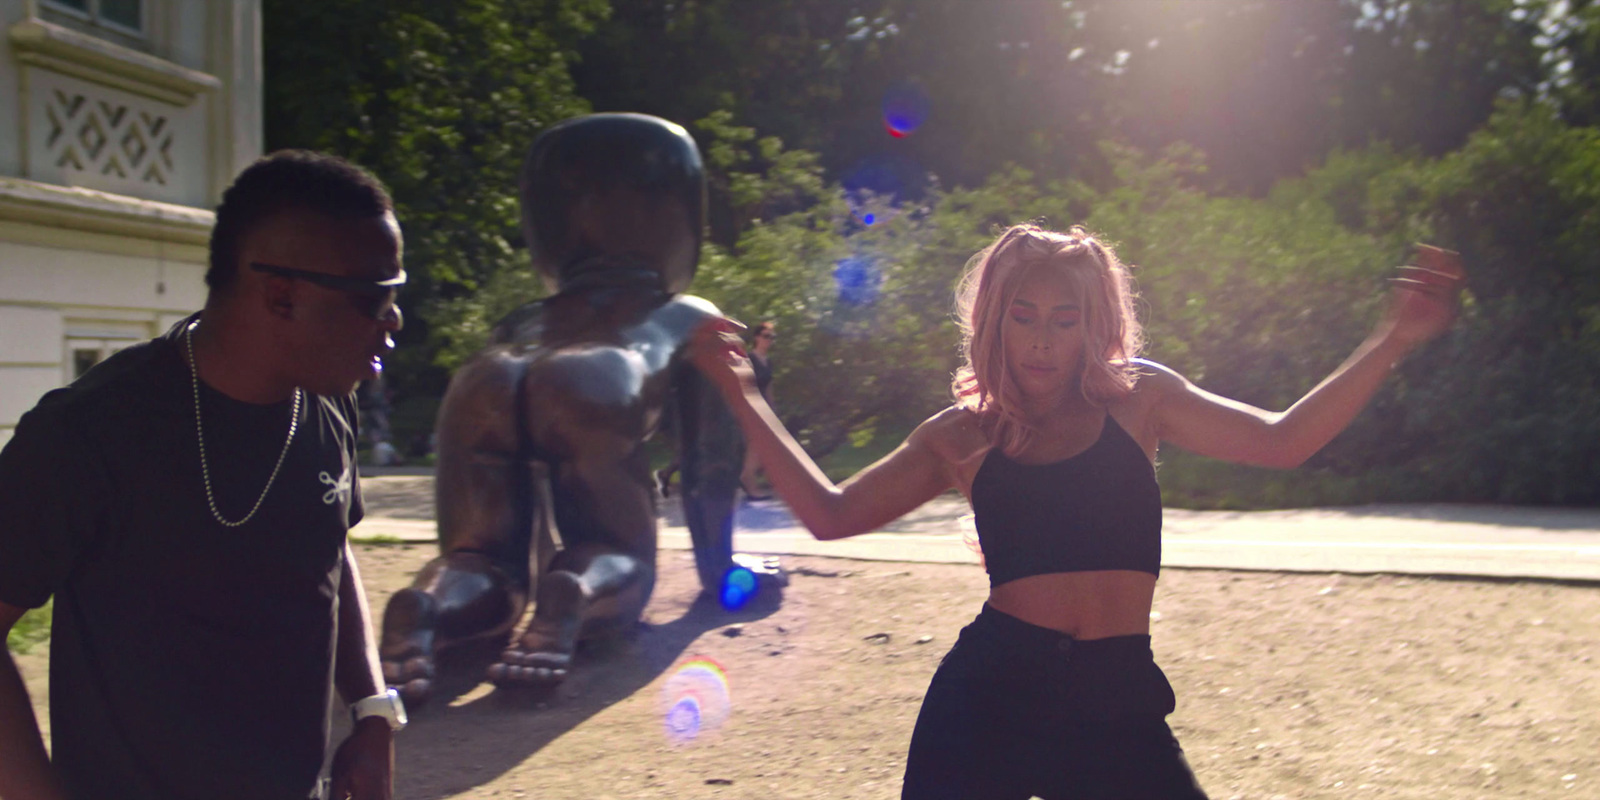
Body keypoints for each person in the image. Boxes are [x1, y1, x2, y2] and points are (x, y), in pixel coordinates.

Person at [689, 223, 1465, 799]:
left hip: (1114, 694)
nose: (1043, 341)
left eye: (1066, 319)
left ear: (1093, 323)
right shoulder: (962, 436)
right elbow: (830, 513)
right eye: (1024, 315)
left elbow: (1284, 440)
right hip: (990, 692)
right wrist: (742, 392)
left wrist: (1391, 339)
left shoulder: (1140, 400)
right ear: (996, 318)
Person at [0, 151, 409, 800]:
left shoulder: (329, 402)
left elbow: (330, 547)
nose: (394, 320)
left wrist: (372, 712)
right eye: (374, 296)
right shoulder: (89, 433)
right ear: (280, 294)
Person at [739, 321, 778, 497]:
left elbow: (769, 386)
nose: (769, 340)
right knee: (756, 444)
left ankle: (747, 479)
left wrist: (773, 408)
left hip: (765, 409)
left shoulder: (768, 361)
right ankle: (749, 482)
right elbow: (744, 385)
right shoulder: (749, 359)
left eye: (772, 337)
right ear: (757, 337)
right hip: (751, 407)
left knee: (759, 445)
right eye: (766, 336)